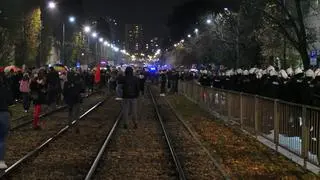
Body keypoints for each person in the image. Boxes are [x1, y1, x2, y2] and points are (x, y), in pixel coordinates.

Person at [0, 72, 13, 169]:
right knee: (2, 139)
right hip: (4, 113)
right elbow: (10, 100)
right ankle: (1, 161)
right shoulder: (4, 88)